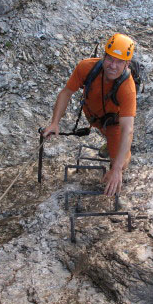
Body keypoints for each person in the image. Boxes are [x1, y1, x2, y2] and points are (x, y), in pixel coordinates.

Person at [42, 33, 137, 197]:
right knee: (110, 140)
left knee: (121, 163)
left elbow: (127, 129)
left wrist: (116, 169)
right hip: (92, 114)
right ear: (103, 56)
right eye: (110, 59)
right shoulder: (86, 68)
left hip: (113, 123)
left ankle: (114, 151)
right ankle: (109, 142)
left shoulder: (127, 88)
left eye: (119, 61)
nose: (113, 65)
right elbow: (66, 93)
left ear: (127, 64)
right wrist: (54, 122)